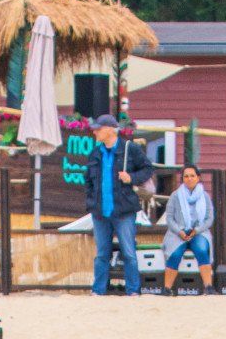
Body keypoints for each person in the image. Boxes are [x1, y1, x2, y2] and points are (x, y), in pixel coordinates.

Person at [81, 115, 154, 297]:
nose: (95, 132)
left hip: (124, 210)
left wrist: (132, 178)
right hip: (100, 212)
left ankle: (133, 290)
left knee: (128, 252)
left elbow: (148, 168)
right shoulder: (95, 153)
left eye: (98, 129)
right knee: (102, 254)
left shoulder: (130, 148)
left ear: (110, 130)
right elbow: (88, 180)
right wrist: (91, 201)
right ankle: (98, 290)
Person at [162, 165, 215, 295]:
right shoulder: (175, 196)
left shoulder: (205, 196)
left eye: (192, 176)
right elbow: (169, 218)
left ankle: (208, 287)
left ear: (198, 177)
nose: (189, 179)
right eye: (186, 176)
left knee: (202, 250)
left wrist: (197, 230)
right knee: (174, 254)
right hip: (178, 232)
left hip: (199, 232)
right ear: (182, 179)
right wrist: (179, 231)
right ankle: (167, 288)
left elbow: (209, 218)